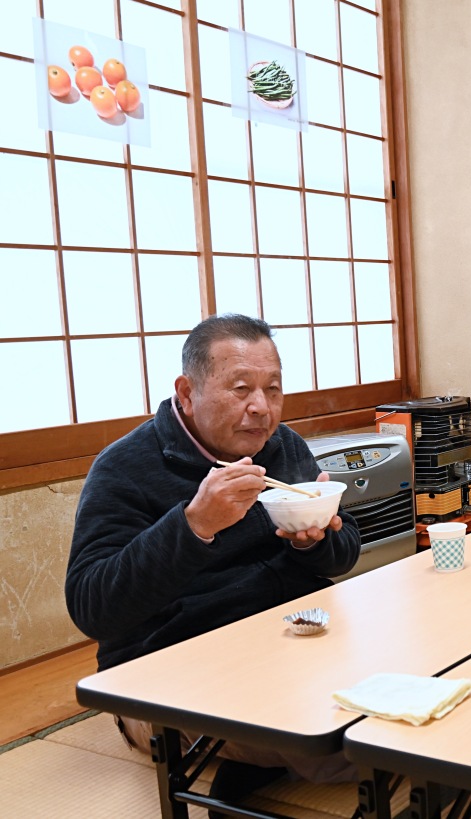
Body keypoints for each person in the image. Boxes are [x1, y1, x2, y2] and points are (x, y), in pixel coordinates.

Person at [65, 314, 363, 800]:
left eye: (273, 388)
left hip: (286, 641)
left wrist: (314, 539)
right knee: (341, 743)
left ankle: (252, 768)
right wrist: (194, 524)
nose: (261, 408)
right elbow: (91, 608)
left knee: (411, 687)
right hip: (169, 665)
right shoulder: (125, 467)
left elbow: (343, 555)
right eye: (241, 388)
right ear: (187, 391)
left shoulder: (282, 446)